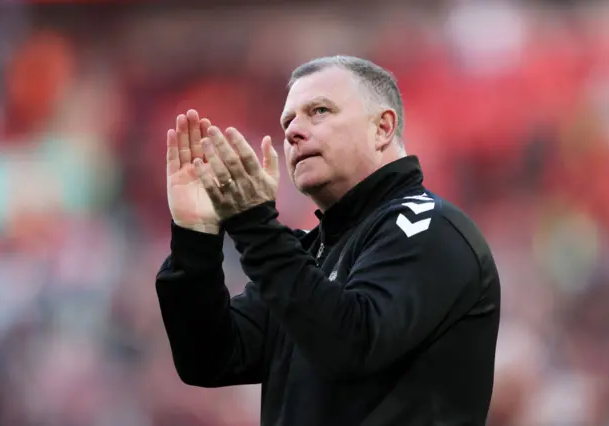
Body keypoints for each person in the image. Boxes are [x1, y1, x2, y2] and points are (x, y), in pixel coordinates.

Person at [155, 56, 501, 426]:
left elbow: (352, 344)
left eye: (319, 111)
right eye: (288, 121)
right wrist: (196, 237)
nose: (293, 132)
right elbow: (210, 359)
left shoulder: (428, 227)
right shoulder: (309, 255)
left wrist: (255, 225)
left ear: (383, 128)